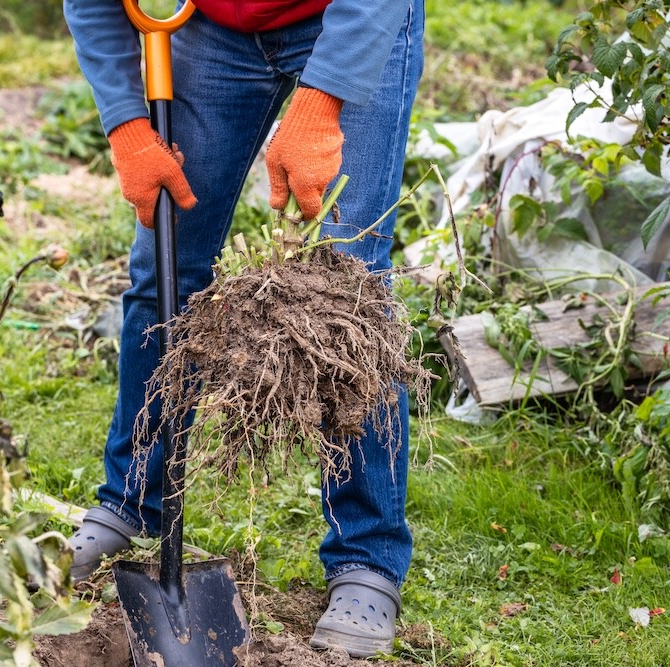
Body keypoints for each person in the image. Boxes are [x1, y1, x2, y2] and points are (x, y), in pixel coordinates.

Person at [62, 0, 424, 658]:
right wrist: (127, 127)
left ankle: (366, 554)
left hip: (348, 14)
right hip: (210, 24)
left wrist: (322, 101)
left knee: (351, 276)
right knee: (166, 260)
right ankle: (131, 495)